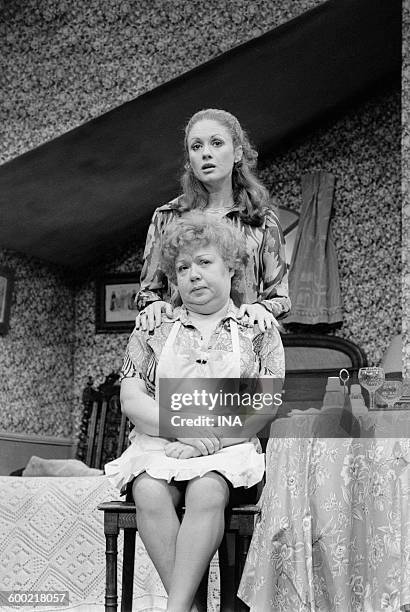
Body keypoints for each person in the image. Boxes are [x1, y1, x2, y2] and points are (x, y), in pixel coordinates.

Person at [105, 212, 285, 612]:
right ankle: (191, 608)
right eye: (182, 268)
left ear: (232, 267)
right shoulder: (151, 329)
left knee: (207, 489)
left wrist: (209, 443)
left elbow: (265, 404)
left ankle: (176, 609)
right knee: (148, 490)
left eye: (204, 263)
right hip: (162, 443)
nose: (193, 275)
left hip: (227, 448)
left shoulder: (258, 330)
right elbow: (132, 399)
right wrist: (181, 429)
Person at [135, 107, 290, 333]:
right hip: (183, 348)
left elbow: (281, 298)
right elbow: (148, 292)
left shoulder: (262, 218)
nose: (206, 153)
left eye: (216, 143)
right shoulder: (167, 216)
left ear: (237, 153)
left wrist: (262, 309)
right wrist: (154, 305)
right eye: (196, 147)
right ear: (189, 160)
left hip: (244, 346)